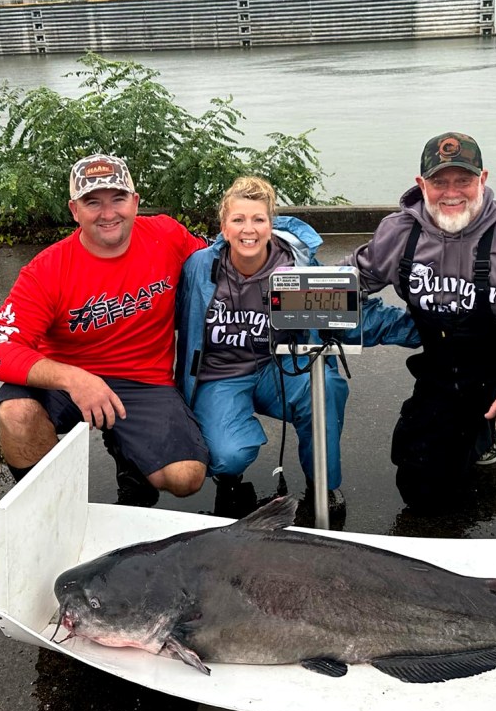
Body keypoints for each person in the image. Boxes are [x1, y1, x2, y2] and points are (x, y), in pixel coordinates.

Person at [343, 132, 496, 537]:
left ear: (483, 179)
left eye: (464, 181)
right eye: (440, 182)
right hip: (444, 371)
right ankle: (480, 436)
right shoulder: (398, 233)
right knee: (421, 492)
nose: (451, 193)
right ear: (422, 184)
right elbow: (353, 278)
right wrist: (274, 285)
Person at [176, 176, 418, 520]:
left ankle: (323, 482)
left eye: (258, 219)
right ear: (223, 227)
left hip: (279, 367)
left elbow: (346, 314)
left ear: (271, 225)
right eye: (238, 220)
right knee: (227, 455)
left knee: (327, 388)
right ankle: (229, 473)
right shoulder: (200, 267)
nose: (249, 229)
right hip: (221, 375)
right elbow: (166, 314)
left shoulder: (294, 268)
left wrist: (426, 330)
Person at [0, 152, 209, 506]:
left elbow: (220, 265)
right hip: (68, 382)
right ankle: (50, 505)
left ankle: (129, 454)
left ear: (135, 202)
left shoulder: (167, 235)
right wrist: (74, 379)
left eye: (118, 199)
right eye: (92, 203)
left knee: (186, 476)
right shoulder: (47, 270)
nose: (108, 213)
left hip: (144, 381)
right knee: (17, 414)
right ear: (74, 210)